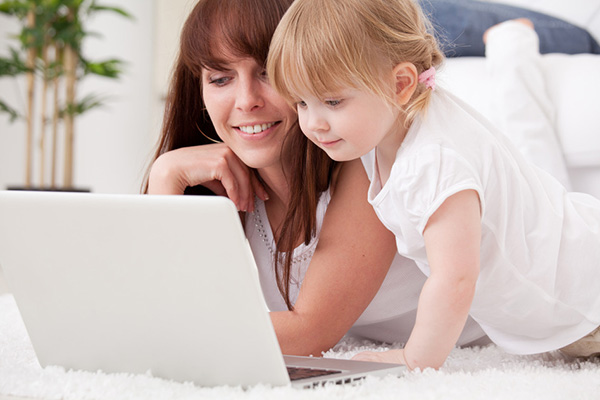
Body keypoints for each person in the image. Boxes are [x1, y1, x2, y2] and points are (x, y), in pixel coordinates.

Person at [143, 0, 490, 356]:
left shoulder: (372, 162)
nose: (246, 101)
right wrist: (165, 177)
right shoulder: (225, 179)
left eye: (268, 73)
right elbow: (180, 302)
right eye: (220, 78)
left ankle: (512, 45)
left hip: (499, 334)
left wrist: (155, 329)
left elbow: (308, 333)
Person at [266, 0, 600, 369]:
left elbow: (454, 277)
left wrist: (416, 359)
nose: (313, 123)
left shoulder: (433, 162)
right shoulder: (387, 126)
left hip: (587, 301)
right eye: (301, 102)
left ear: (401, 84)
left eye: (332, 101)